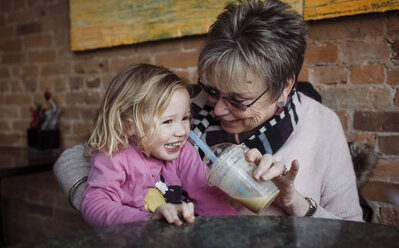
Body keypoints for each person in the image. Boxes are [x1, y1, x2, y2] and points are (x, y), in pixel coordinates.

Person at [54, 0, 363, 221]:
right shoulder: (185, 107)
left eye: (238, 100)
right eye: (212, 89)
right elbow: (80, 156)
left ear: (284, 86)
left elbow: (351, 233)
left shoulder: (321, 126)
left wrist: (294, 202)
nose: (216, 107)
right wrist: (125, 214)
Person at [80, 64, 237, 227]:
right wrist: (149, 220)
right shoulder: (113, 155)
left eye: (185, 118)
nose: (182, 131)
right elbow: (95, 206)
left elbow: (208, 197)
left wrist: (232, 229)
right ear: (128, 126)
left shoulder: (184, 152)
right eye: (168, 121)